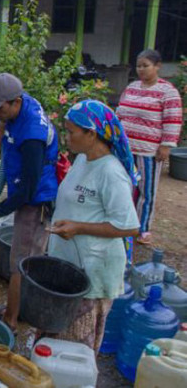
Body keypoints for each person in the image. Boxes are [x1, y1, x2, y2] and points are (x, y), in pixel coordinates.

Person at [47, 100, 139, 351]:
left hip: (93, 271)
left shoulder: (111, 172)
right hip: (70, 264)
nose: (66, 138)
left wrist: (78, 227)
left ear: (91, 133)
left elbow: (130, 227)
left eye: (71, 132)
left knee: (73, 348)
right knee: (52, 342)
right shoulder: (82, 160)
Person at [0, 73, 58, 332]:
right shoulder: (22, 107)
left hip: (36, 200)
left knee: (21, 264)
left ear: (15, 102)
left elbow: (28, 189)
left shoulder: (32, 134)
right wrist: (4, 127)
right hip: (26, 188)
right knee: (23, 261)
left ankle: (11, 320)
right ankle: (16, 309)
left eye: (0, 109)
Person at [116, 49, 183, 246]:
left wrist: (166, 146)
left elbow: (173, 120)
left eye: (145, 65)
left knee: (146, 191)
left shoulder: (168, 91)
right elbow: (119, 113)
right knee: (126, 188)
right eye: (138, 66)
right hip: (127, 148)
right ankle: (124, 223)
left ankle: (142, 228)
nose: (141, 70)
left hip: (149, 151)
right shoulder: (132, 87)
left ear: (157, 66)